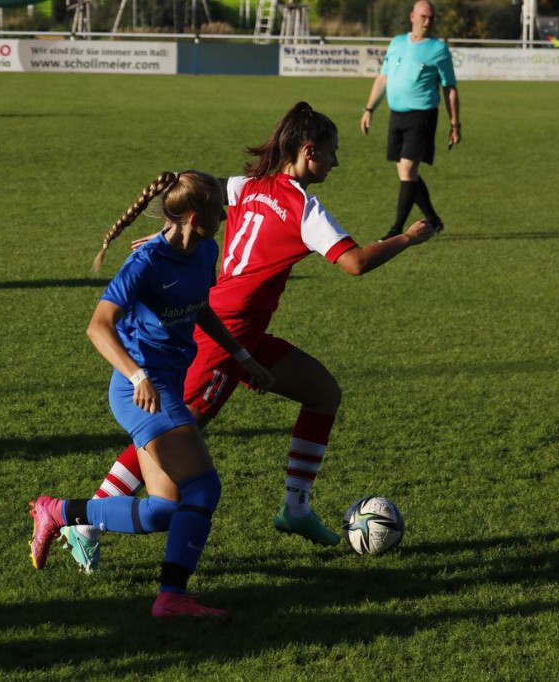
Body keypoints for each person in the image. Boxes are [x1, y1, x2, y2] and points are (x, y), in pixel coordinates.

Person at [61, 101, 439, 574]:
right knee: (174, 433)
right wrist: (408, 238)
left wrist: (167, 233)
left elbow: (193, 194)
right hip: (221, 333)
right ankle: (86, 521)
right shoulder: (304, 210)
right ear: (308, 152)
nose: (336, 162)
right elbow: (355, 263)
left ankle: (295, 507)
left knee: (323, 393)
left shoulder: (245, 185)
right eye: (332, 152)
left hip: (243, 333)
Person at [28, 170, 274, 618]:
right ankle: (171, 597)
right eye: (219, 210)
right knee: (203, 487)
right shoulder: (144, 263)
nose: (225, 216)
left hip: (166, 386)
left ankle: (58, 512)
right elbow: (98, 327)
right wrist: (138, 375)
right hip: (141, 391)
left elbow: (199, 307)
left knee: (164, 510)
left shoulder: (206, 250)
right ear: (195, 217)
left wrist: (242, 356)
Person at [360, 0, 459, 243]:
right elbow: (383, 78)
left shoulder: (438, 49)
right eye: (424, 16)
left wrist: (455, 123)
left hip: (422, 115)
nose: (428, 22)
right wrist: (369, 108)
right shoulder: (396, 43)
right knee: (406, 173)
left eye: (432, 18)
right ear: (412, 16)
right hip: (397, 115)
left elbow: (449, 89)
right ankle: (433, 219)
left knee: (407, 170)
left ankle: (396, 230)